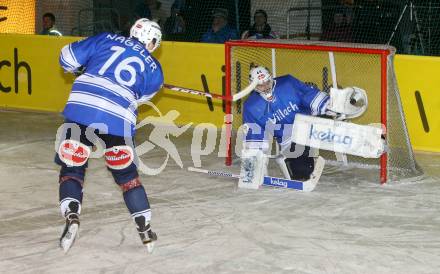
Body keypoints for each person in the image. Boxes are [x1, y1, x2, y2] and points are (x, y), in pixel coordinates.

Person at [56, 18, 163, 253]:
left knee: (72, 168)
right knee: (127, 176)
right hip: (118, 118)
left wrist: (79, 68)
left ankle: (72, 214)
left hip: (81, 108)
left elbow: (66, 57)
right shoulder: (156, 69)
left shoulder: (105, 39)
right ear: (152, 41)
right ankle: (144, 227)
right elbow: (139, 98)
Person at [241, 66, 366, 183]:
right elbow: (254, 137)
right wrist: (252, 167)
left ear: (271, 77)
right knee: (302, 174)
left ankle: (364, 138)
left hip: (310, 121)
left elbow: (308, 95)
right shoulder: (251, 107)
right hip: (290, 139)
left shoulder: (287, 83)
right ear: (253, 86)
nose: (266, 87)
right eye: (261, 86)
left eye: (267, 82)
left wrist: (330, 106)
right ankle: (295, 163)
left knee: (336, 118)